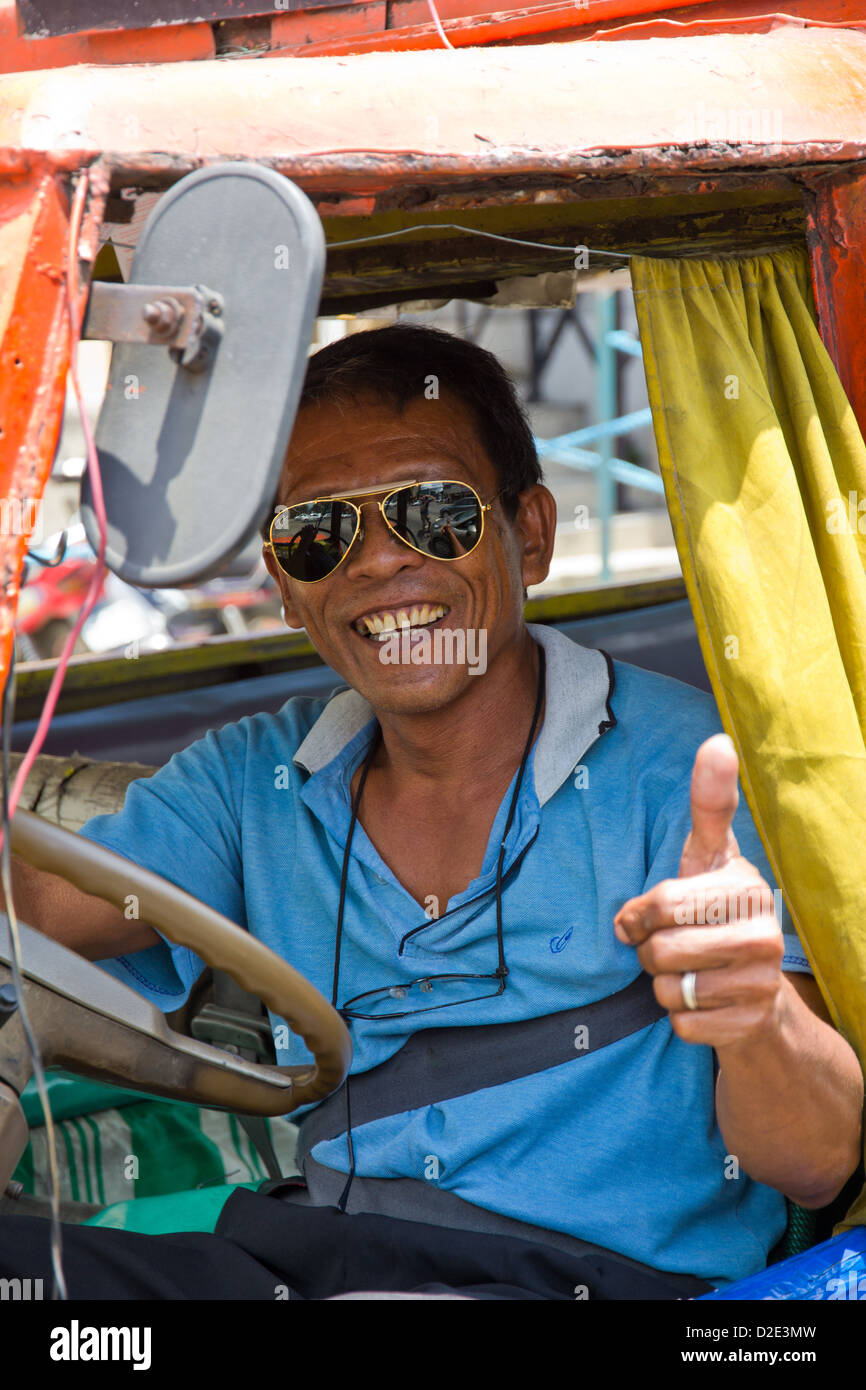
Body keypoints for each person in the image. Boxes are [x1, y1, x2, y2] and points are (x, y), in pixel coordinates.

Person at [2, 323, 862, 1300]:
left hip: (597, 1283)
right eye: (319, 533)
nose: (374, 562)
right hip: (325, 1257)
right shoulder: (254, 777)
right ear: (286, 584)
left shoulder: (694, 774)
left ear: (527, 534)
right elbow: (37, 911)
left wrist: (755, 1016)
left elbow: (816, 1163)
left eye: (429, 511)